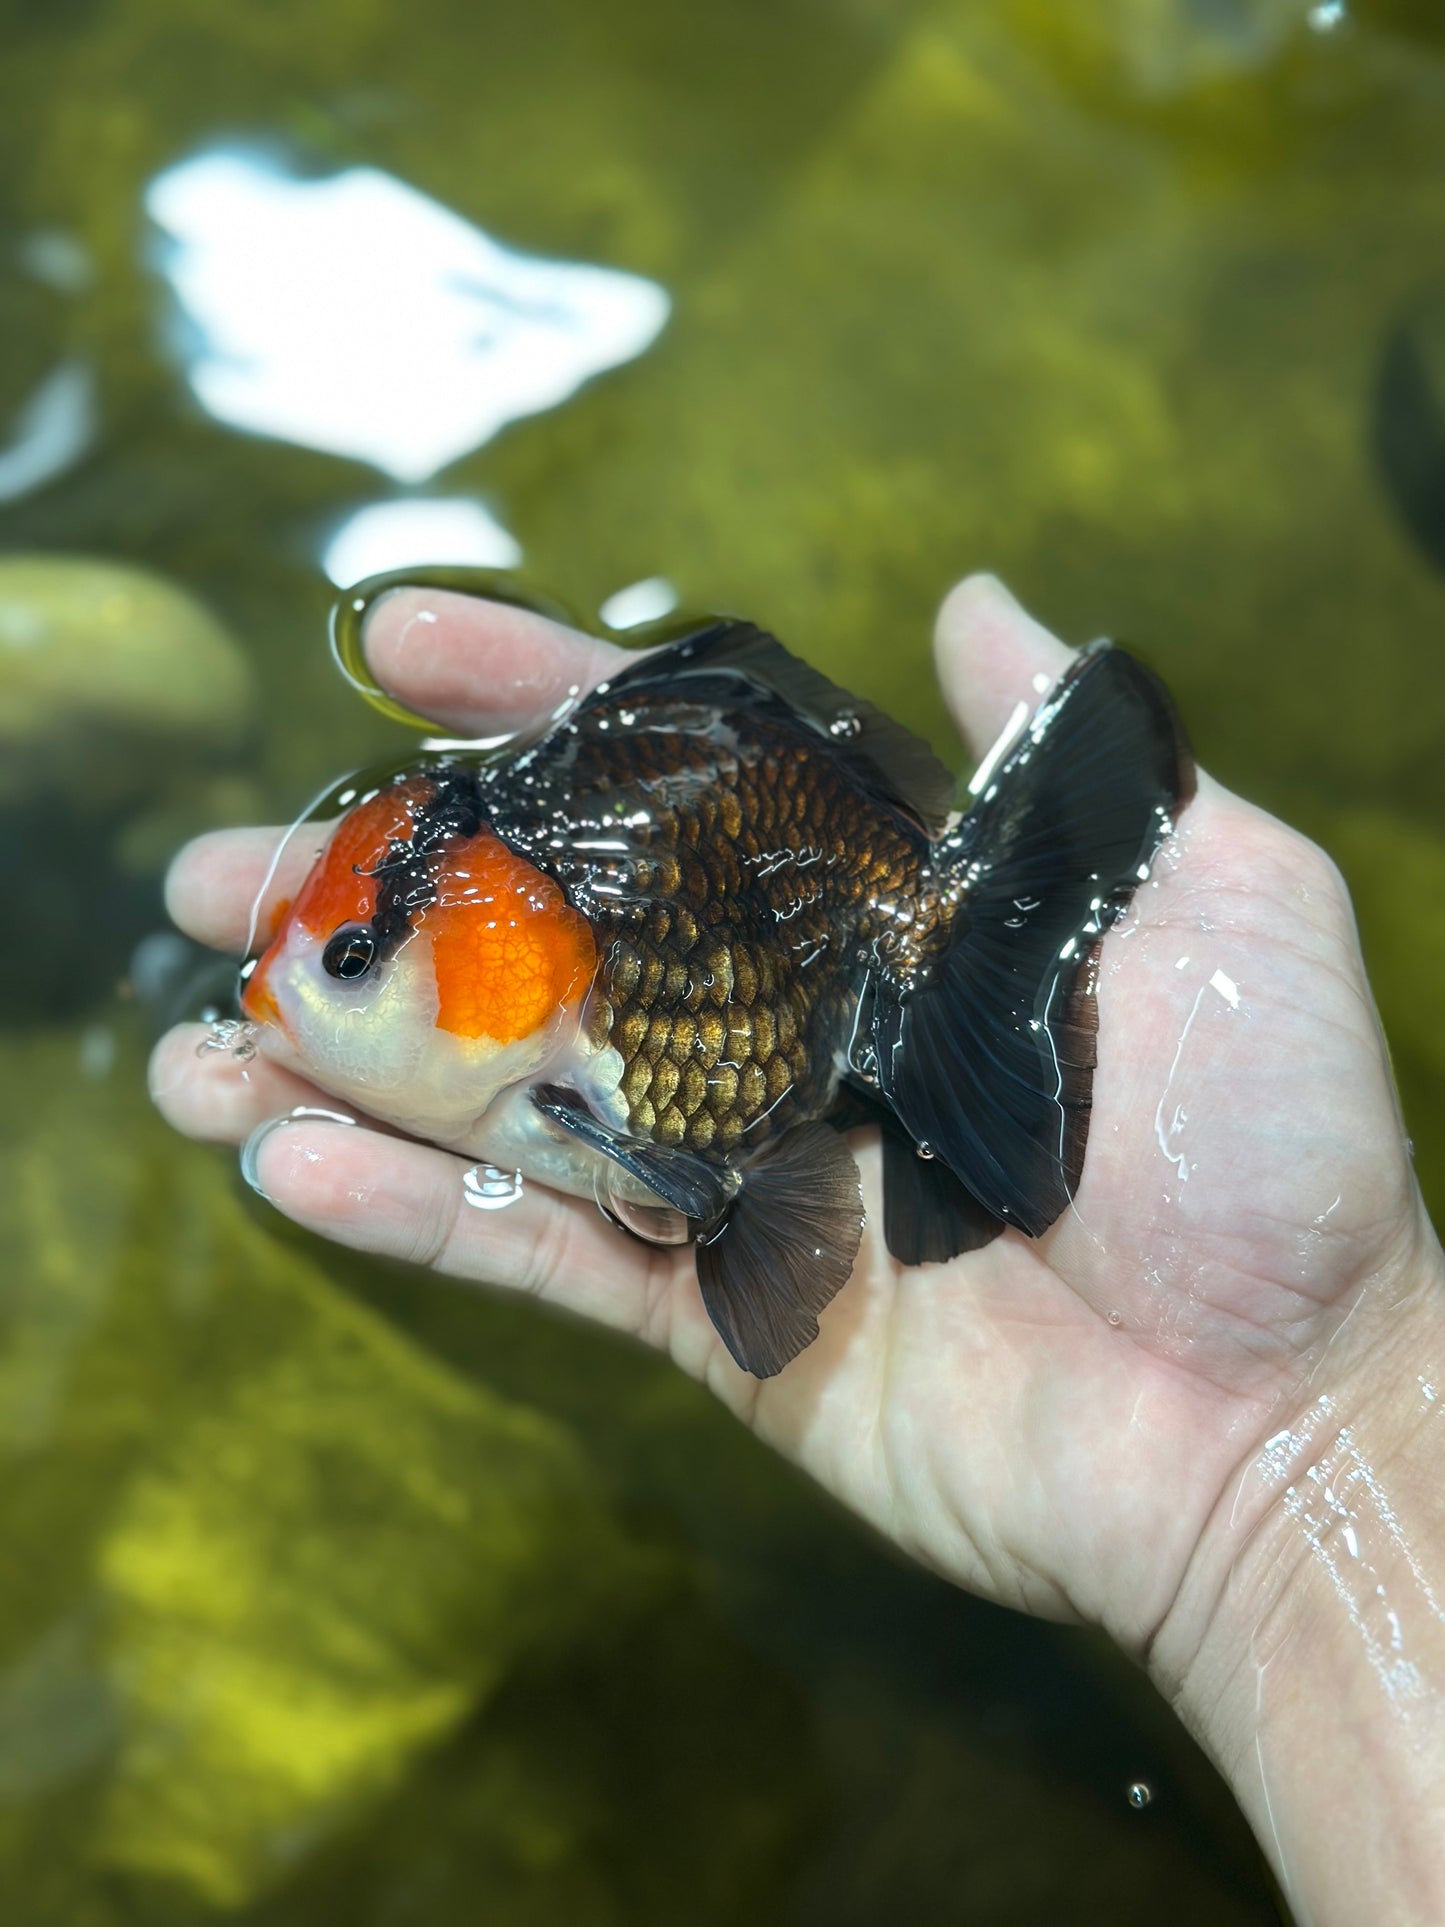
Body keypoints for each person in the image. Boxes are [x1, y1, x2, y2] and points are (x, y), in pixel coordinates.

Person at [150, 574, 1445, 1924]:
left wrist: (1303, 1415)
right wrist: (1299, 1458)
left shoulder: (579, 1051)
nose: (274, 992)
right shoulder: (515, 963)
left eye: (348, 965)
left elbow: (735, 1210)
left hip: (838, 939)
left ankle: (958, 1013)